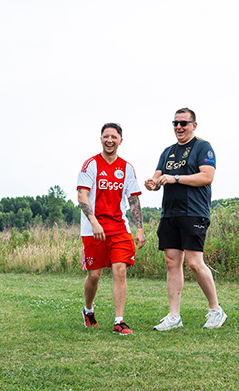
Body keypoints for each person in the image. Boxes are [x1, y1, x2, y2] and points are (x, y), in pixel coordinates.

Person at [144, 108, 227, 331]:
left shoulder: (203, 147)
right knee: (172, 262)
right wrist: (152, 183)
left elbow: (207, 177)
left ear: (193, 125)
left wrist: (176, 178)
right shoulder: (168, 151)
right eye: (175, 123)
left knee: (194, 262)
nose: (179, 127)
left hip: (194, 211)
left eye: (183, 123)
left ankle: (216, 310)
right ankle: (174, 316)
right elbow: (158, 177)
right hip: (170, 213)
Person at [77, 123, 145, 335]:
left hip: (119, 228)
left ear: (120, 141)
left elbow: (133, 199)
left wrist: (140, 229)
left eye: (113, 137)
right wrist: (94, 222)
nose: (109, 140)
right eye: (106, 136)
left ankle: (119, 322)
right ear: (101, 139)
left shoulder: (127, 168)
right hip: (94, 229)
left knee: (120, 270)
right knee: (94, 276)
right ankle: (88, 311)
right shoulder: (90, 164)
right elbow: (82, 195)